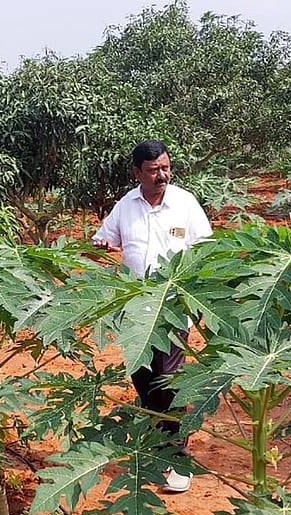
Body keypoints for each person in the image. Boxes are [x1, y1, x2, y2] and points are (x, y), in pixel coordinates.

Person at [91, 139, 212, 492]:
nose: (162, 176)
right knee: (143, 384)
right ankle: (157, 448)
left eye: (166, 168)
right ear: (137, 172)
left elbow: (205, 247)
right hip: (134, 312)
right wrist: (101, 247)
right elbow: (101, 242)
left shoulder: (185, 203)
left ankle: (179, 459)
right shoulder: (125, 207)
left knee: (169, 383)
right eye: (153, 170)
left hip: (173, 309)